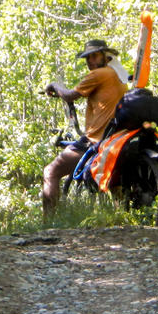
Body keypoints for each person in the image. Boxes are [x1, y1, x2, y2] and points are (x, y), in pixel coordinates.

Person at [42, 38, 127, 217]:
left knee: (50, 171)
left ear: (105, 56)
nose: (90, 61)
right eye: (87, 58)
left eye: (94, 56)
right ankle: (122, 218)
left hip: (96, 139)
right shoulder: (118, 75)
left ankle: (48, 223)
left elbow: (70, 95)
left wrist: (54, 86)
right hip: (116, 137)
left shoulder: (99, 74)